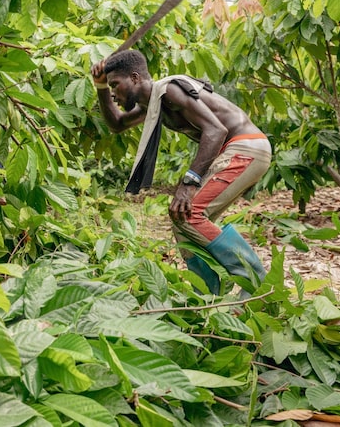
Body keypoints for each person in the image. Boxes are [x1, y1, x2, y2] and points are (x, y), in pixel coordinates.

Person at [91, 49, 271, 295]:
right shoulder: (152, 103)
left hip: (246, 147)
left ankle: (254, 278)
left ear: (134, 78)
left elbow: (216, 131)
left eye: (115, 85)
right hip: (238, 151)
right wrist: (100, 86)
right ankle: (206, 295)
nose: (113, 92)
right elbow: (117, 124)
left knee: (190, 212)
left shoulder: (169, 90)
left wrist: (189, 183)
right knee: (181, 216)